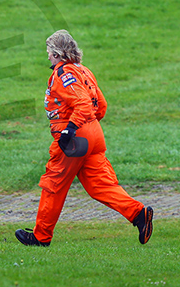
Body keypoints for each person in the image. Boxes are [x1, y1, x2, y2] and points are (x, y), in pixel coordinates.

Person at [15, 30, 153, 247]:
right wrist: (89, 126)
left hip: (75, 137)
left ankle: (40, 237)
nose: (48, 57)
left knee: (54, 184)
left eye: (49, 52)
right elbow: (102, 106)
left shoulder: (64, 74)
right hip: (93, 134)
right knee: (100, 185)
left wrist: (70, 130)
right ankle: (138, 214)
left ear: (58, 53)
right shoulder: (84, 71)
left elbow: (82, 103)